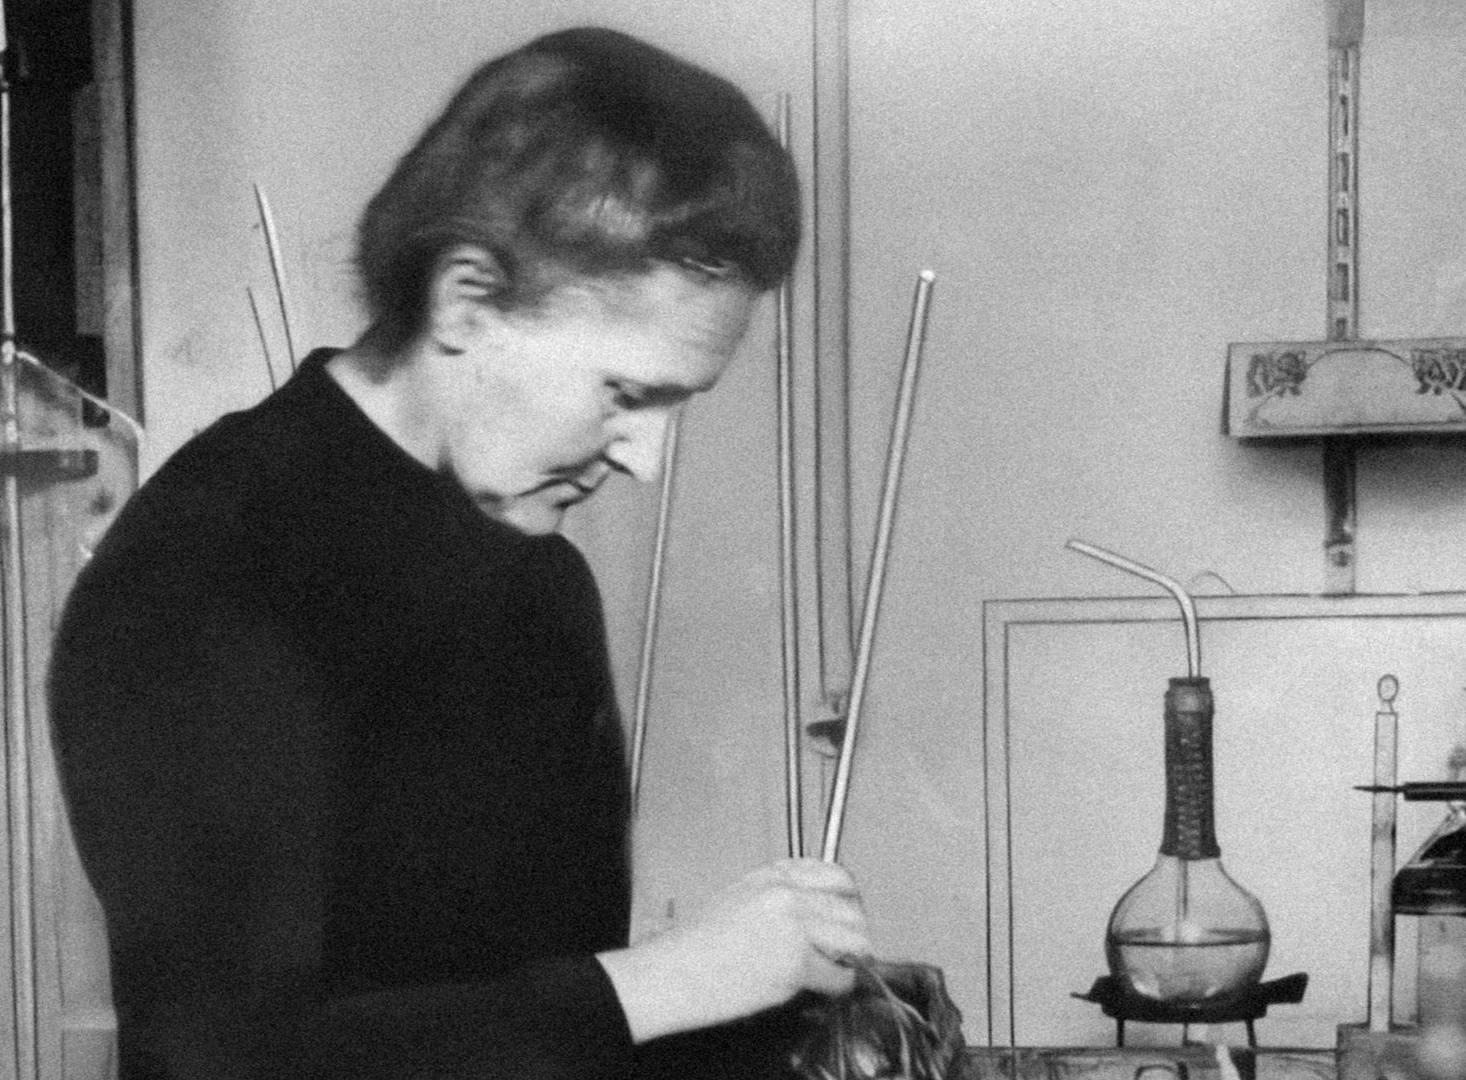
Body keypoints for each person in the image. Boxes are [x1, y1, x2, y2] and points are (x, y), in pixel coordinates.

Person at [47, 26, 871, 1080]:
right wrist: (676, 979)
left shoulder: (537, 574)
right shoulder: (208, 575)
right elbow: (225, 1063)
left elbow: (528, 1029)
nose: (646, 458)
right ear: (466, 300)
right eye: (626, 392)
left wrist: (782, 1014)